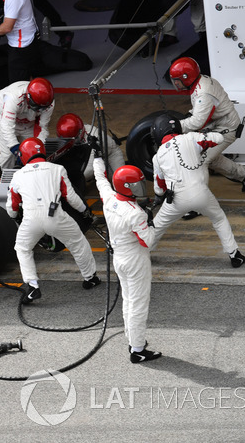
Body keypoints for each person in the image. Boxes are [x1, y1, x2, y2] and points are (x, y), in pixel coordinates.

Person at [7, 138, 100, 303]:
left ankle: (32, 286)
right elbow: (71, 197)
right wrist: (85, 211)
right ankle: (90, 278)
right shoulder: (58, 169)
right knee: (78, 243)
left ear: (23, 155)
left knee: (22, 248)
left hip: (31, 219)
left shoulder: (17, 175)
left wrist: (15, 217)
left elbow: (12, 207)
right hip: (56, 216)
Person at [149, 115, 245, 268]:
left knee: (157, 225)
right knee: (219, 218)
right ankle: (235, 255)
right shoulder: (191, 137)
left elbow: (159, 188)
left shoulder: (157, 157)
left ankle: (143, 253)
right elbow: (218, 139)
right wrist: (205, 135)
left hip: (176, 199)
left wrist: (160, 196)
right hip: (201, 193)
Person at [92, 155, 161, 363]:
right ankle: (138, 349)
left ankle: (133, 340)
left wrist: (97, 160)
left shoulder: (109, 198)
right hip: (135, 260)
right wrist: (150, 221)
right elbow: (148, 242)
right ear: (128, 186)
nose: (141, 187)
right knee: (139, 304)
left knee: (128, 301)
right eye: (138, 184)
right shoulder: (136, 213)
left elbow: (100, 180)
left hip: (119, 258)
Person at [168, 57, 245, 192]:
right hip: (219, 123)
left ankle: (197, 199)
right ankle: (244, 174)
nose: (176, 84)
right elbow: (200, 112)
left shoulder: (203, 93)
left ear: (186, 77)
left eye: (178, 81)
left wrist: (176, 125)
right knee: (209, 157)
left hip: (226, 128)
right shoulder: (201, 81)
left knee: (199, 161)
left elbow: (197, 122)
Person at [0, 78, 55, 170]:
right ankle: (0, 177)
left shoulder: (49, 103)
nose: (40, 110)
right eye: (37, 107)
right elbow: (7, 126)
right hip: (2, 115)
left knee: (34, 152)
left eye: (42, 108)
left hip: (28, 121)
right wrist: (15, 149)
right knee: (8, 155)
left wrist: (38, 150)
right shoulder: (12, 97)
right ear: (29, 98)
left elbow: (41, 127)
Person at [56, 113, 125, 181]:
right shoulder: (74, 132)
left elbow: (89, 171)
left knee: (120, 179)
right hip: (92, 153)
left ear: (80, 133)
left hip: (111, 153)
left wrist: (67, 179)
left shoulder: (94, 138)